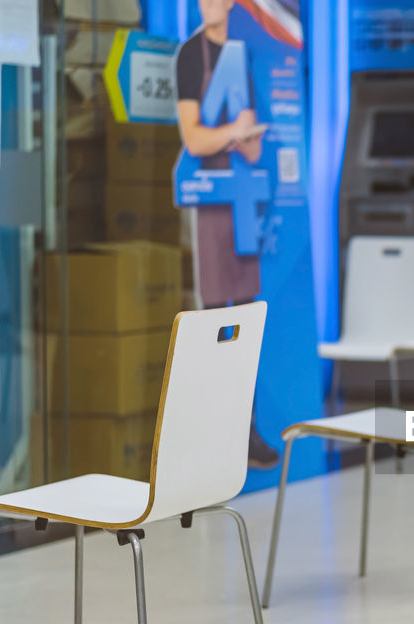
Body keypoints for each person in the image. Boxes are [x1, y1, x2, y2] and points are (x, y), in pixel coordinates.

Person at [175, 0, 279, 468]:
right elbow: (194, 140)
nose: (210, 4)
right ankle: (214, 439)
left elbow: (255, 151)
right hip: (213, 207)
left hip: (243, 205)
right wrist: (229, 133)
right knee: (215, 325)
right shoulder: (190, 56)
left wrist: (245, 135)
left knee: (246, 328)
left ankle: (247, 431)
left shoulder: (241, 57)